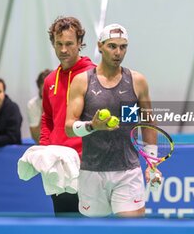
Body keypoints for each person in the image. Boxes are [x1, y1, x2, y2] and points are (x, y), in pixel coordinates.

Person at [65, 23, 161, 217]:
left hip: (128, 172)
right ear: (100, 46)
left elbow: (148, 123)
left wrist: (152, 164)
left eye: (123, 47)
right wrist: (93, 126)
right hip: (91, 173)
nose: (118, 52)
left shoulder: (137, 81)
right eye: (112, 46)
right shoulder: (82, 81)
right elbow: (69, 127)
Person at [40, 16, 96, 216]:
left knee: (90, 223)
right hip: (58, 164)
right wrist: (45, 150)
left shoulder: (94, 76)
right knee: (63, 221)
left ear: (80, 43)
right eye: (59, 44)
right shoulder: (49, 81)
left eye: (69, 44)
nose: (63, 50)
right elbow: (47, 118)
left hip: (88, 164)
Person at [27, 69, 52, 144]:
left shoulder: (66, 101)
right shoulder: (33, 104)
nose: (48, 94)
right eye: (45, 90)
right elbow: (36, 138)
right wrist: (45, 110)